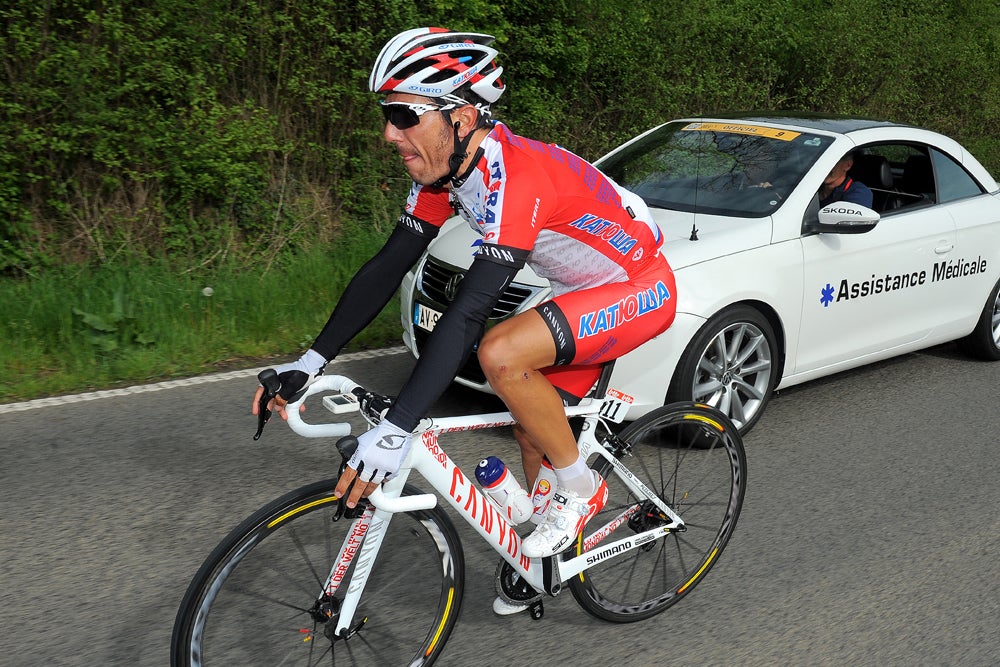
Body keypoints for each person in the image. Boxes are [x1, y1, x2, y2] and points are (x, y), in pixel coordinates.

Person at [252, 27, 677, 606]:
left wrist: (398, 426)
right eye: (386, 114)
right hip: (581, 288)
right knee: (532, 429)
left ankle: (583, 490)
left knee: (500, 352)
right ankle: (550, 559)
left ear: (462, 116)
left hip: (638, 286)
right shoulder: (448, 175)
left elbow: (469, 311)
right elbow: (388, 265)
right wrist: (309, 361)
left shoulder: (514, 176)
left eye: (404, 114)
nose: (389, 133)